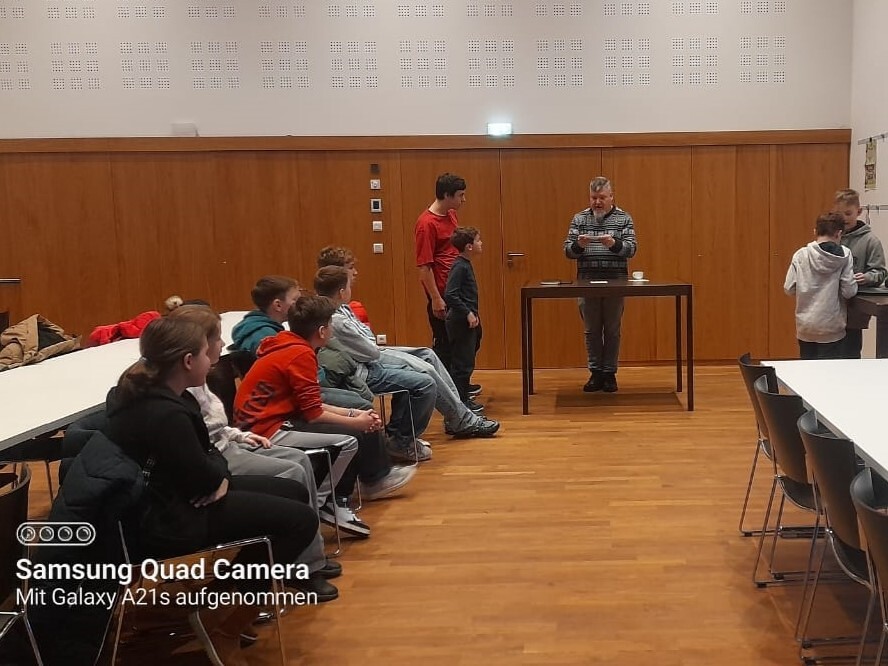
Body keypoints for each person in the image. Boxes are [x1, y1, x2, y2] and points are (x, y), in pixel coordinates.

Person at [103, 317, 319, 666]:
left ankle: (217, 601)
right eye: (206, 353)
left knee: (292, 491)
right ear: (188, 361)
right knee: (300, 521)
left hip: (175, 496)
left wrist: (217, 476)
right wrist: (216, 477)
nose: (212, 360)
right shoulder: (165, 414)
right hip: (168, 519)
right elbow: (205, 475)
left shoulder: (163, 396)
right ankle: (222, 622)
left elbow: (209, 458)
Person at [169, 303, 343, 601]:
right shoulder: (183, 390)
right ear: (195, 349)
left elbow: (216, 428)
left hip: (228, 445)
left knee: (300, 460)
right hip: (218, 459)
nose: (222, 345)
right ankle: (300, 567)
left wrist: (241, 435)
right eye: (216, 339)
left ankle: (310, 558)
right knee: (292, 472)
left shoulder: (199, 380)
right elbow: (201, 442)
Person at [233, 295, 416, 520]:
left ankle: (361, 486)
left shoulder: (289, 344)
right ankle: (326, 501)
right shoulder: (300, 354)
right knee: (351, 438)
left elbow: (310, 404)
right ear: (321, 331)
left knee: (357, 424)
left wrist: (354, 414)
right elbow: (314, 414)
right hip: (264, 430)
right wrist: (356, 422)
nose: (332, 329)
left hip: (271, 421)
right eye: (330, 324)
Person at [314, 266, 500, 443]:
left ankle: (459, 416)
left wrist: (368, 339)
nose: (354, 275)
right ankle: (462, 420)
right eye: (349, 282)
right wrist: (368, 340)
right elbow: (371, 350)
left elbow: (368, 338)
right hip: (364, 366)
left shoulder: (343, 308)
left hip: (368, 355)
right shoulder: (337, 320)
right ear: (341, 292)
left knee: (427, 354)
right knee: (425, 371)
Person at [563, 176, 637, 393]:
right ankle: (595, 373)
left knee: (612, 330)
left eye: (602, 198)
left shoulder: (624, 218)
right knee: (592, 330)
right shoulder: (579, 219)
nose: (597, 202)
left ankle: (610, 374)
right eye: (594, 198)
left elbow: (631, 249)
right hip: (586, 283)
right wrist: (579, 245)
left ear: (611, 197)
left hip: (615, 282)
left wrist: (614, 244)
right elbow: (567, 251)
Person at [414, 173, 472, 382]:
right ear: (447, 195)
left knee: (467, 340)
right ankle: (445, 389)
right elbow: (424, 267)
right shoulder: (426, 224)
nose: (463, 199)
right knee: (445, 344)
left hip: (458, 288)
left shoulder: (451, 215)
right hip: (442, 291)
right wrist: (436, 299)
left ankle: (460, 384)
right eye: (460, 195)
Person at [784, 212, 858, 359]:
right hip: (832, 327)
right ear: (839, 233)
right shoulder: (845, 255)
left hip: (806, 327)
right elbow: (849, 291)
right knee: (828, 371)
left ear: (815, 231)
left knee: (808, 369)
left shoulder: (801, 255)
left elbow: (788, 288)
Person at [833, 188, 888, 358]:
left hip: (854, 314)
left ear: (859, 211)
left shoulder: (870, 241)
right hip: (830, 311)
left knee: (850, 355)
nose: (844, 218)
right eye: (840, 214)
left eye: (848, 213)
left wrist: (867, 277)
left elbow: (880, 272)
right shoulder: (833, 237)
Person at [444, 227, 484, 411]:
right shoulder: (460, 266)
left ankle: (463, 396)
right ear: (469, 246)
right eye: (478, 240)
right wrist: (467, 313)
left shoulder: (465, 264)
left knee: (467, 358)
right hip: (460, 321)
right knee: (462, 363)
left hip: (468, 319)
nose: (481, 243)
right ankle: (461, 404)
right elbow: (450, 294)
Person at [230, 275, 300, 354]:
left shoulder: (249, 326)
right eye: (295, 300)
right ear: (278, 305)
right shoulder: (269, 340)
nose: (301, 303)